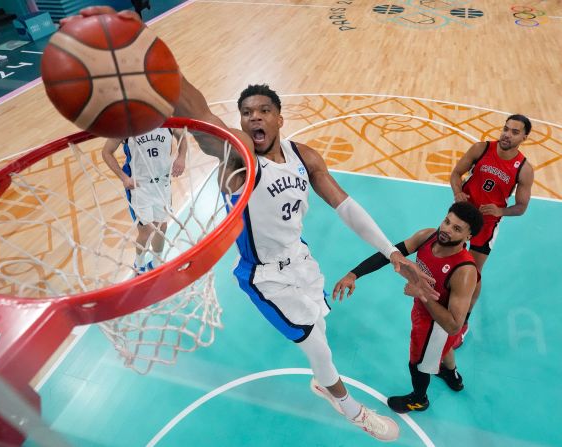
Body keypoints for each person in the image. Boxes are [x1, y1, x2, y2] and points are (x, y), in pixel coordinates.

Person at [68, 7, 440, 442]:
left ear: (280, 118)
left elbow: (346, 206)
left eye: (265, 111)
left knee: (318, 324)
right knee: (314, 344)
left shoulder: (306, 157)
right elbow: (195, 106)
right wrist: (140, 44)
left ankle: (325, 380)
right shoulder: (238, 161)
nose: (255, 118)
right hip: (265, 276)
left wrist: (395, 255)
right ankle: (347, 405)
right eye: (247, 112)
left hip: (300, 259)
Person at [334, 202, 483, 413]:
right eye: (447, 221)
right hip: (426, 311)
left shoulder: (463, 271)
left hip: (436, 324)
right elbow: (390, 253)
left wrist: (421, 293)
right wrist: (354, 274)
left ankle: (419, 399)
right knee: (444, 349)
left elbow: (453, 326)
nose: (446, 230)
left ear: (468, 237)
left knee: (417, 362)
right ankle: (452, 375)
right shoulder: (428, 236)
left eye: (457, 229)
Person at [448, 115, 535, 346]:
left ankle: (463, 322)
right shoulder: (481, 148)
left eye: (515, 132)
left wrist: (500, 211)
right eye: (506, 129)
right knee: (446, 258)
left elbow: (521, 207)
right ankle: (443, 300)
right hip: (461, 215)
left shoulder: (524, 169)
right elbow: (456, 174)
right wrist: (458, 192)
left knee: (473, 273)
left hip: (487, 224)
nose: (507, 134)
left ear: (524, 137)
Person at [102, 127, 187, 273]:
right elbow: (106, 152)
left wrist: (181, 157)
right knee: (146, 231)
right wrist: (124, 178)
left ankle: (156, 263)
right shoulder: (126, 124)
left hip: (162, 185)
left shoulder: (166, 119)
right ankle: (139, 264)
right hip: (140, 188)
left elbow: (182, 136)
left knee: (162, 228)